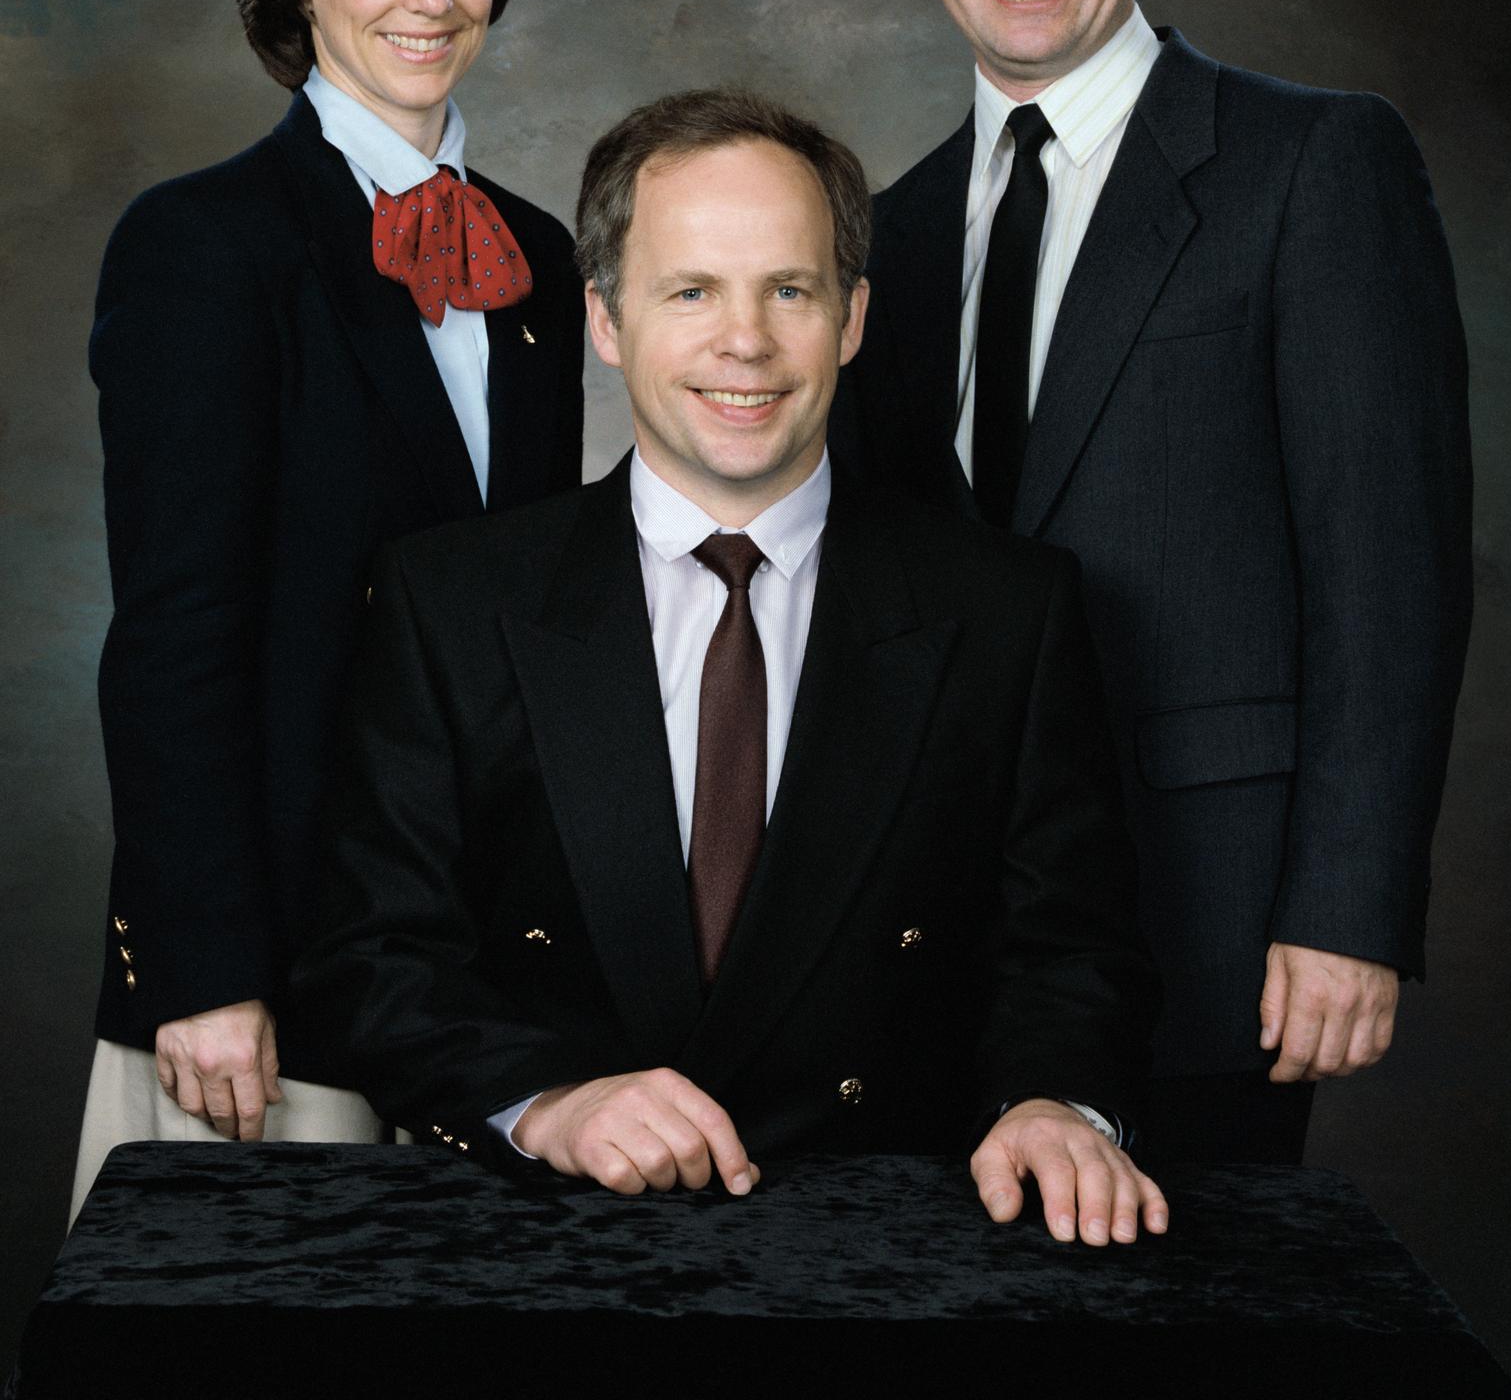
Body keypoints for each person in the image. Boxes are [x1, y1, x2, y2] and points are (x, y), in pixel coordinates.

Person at [297, 89, 1167, 1244]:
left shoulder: (1008, 608)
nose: (744, 341)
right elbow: (374, 953)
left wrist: (1053, 1104)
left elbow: (1069, 949)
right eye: (691, 291)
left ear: (851, 318)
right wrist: (544, 1103)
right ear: (605, 318)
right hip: (542, 1236)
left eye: (788, 291)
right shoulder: (449, 599)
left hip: (896, 1242)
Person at [831, 0, 1473, 1164]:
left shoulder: (1310, 164)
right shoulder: (889, 234)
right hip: (941, 936)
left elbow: (1388, 565)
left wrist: (1345, 906)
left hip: (1217, 914)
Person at [71, 0, 586, 1220]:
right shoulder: (204, 244)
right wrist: (203, 970)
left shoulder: (540, 259)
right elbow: (172, 638)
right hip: (272, 961)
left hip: (479, 958)